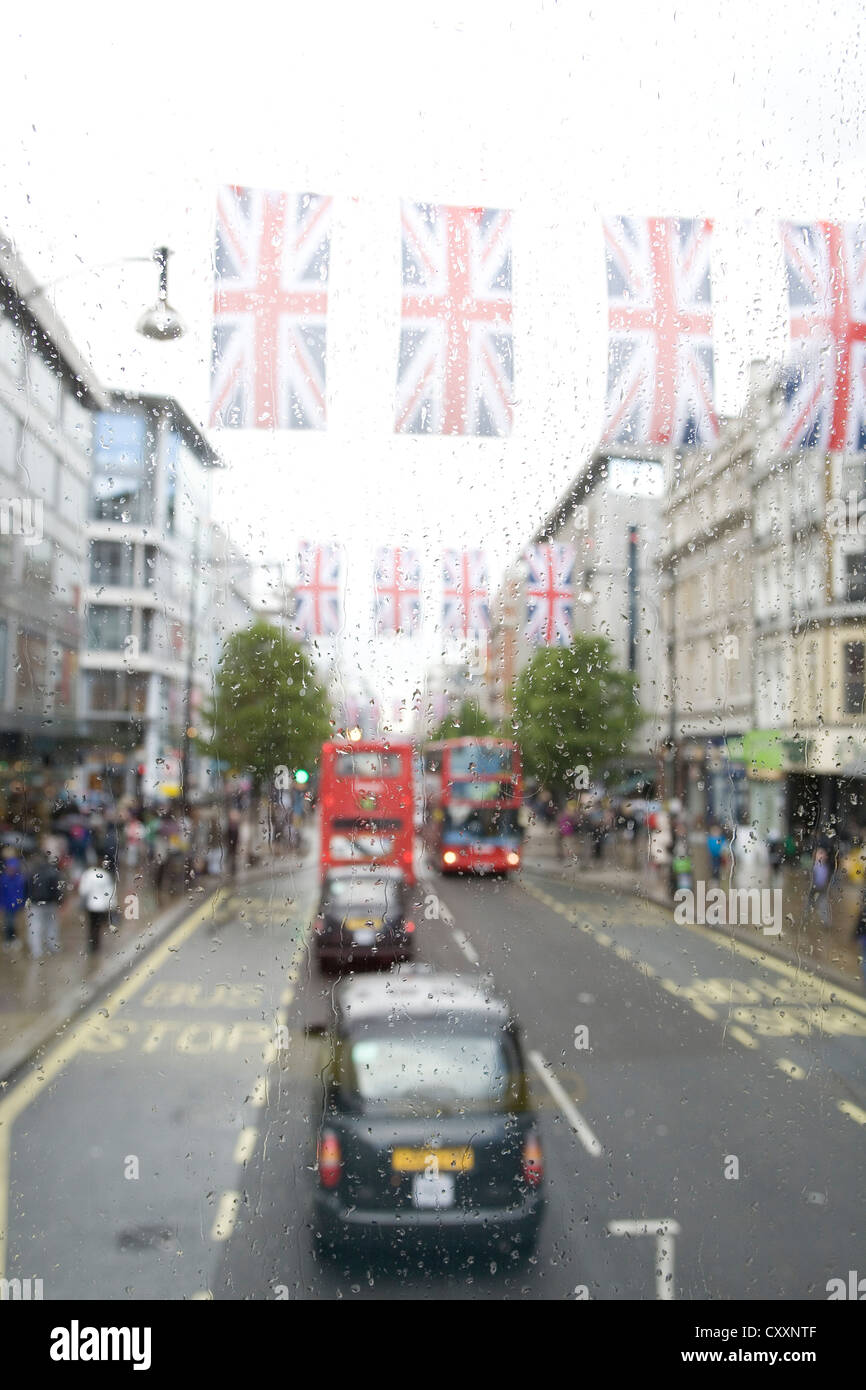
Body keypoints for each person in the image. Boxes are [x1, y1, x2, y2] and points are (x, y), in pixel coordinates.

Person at [26, 849, 64, 958]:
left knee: (35, 926)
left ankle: (36, 951)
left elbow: (27, 887)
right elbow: (57, 889)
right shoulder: (53, 871)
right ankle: (52, 946)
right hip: (50, 903)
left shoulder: (31, 871)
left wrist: (27, 899)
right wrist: (59, 900)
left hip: (35, 903)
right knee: (51, 925)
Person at [78, 859, 117, 955]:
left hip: (91, 905)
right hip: (102, 905)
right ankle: (97, 945)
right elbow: (110, 891)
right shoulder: (105, 875)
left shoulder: (87, 874)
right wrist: (112, 905)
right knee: (98, 926)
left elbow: (83, 890)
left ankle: (92, 945)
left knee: (91, 925)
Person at [0, 856, 28, 949]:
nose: (11, 870)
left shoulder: (20, 878)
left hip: (18, 906)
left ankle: (15, 940)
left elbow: (24, 892)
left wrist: (23, 904)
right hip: (6, 905)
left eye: (13, 868)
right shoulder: (3, 878)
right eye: (10, 868)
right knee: (8, 923)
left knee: (17, 924)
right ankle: (8, 940)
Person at [809, 846, 832, 928]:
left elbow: (828, 879)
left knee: (823, 905)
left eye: (823, 854)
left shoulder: (827, 867)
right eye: (819, 854)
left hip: (822, 890)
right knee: (808, 905)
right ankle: (805, 919)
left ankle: (826, 924)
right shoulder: (813, 866)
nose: (822, 856)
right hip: (812, 890)